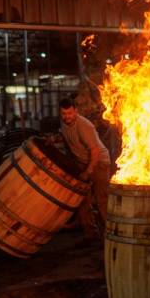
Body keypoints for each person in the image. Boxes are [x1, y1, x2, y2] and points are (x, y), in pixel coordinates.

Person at [57, 98, 111, 241]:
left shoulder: (84, 126)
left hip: (99, 163)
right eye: (63, 113)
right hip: (82, 162)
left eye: (69, 113)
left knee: (101, 199)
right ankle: (90, 234)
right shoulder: (64, 124)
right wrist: (54, 139)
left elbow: (95, 151)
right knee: (81, 199)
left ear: (76, 111)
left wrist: (88, 171)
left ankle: (109, 235)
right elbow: (64, 136)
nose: (66, 116)